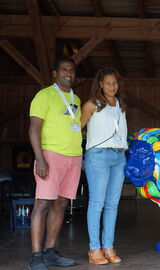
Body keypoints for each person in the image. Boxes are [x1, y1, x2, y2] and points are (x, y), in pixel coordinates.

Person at [28, 56, 82, 270]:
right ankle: (35, 255)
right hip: (51, 156)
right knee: (42, 204)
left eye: (71, 70)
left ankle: (50, 251)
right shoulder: (44, 95)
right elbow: (34, 129)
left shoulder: (76, 99)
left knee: (61, 203)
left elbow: (72, 125)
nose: (69, 73)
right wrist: (40, 159)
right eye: (64, 69)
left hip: (74, 157)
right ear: (55, 73)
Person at [80, 67, 128, 265]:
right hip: (98, 156)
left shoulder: (120, 105)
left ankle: (108, 247)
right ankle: (94, 248)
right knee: (97, 203)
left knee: (112, 204)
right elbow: (77, 128)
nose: (112, 86)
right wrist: (93, 141)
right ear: (100, 84)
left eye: (115, 82)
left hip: (119, 157)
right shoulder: (92, 104)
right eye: (107, 82)